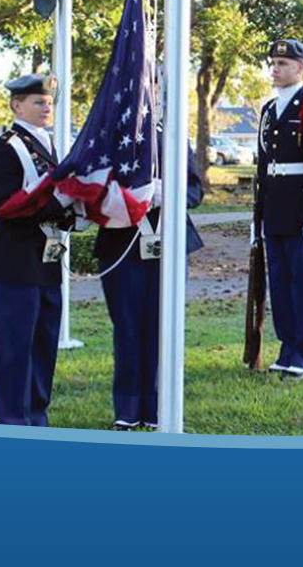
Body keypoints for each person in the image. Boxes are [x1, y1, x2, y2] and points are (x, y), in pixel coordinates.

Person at [0, 74, 75, 426]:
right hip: (15, 262)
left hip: (46, 261)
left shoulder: (49, 146)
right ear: (16, 105)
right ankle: (14, 422)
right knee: (14, 350)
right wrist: (56, 202)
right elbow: (4, 208)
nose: (46, 106)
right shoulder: (6, 148)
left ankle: (37, 418)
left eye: (48, 101)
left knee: (44, 346)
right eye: (37, 101)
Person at [94, 145, 204, 431]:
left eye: (155, 94)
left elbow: (195, 190)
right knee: (127, 327)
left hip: (170, 242)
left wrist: (171, 193)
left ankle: (158, 406)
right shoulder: (113, 131)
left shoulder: (173, 134)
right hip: (121, 241)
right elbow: (93, 187)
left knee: (162, 327)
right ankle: (128, 408)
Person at [251, 39, 303, 380]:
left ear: (301, 68)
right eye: (273, 62)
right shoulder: (270, 109)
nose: (276, 68)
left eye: (284, 63)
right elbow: (262, 170)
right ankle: (287, 349)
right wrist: (257, 219)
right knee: (281, 285)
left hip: (301, 211)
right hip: (274, 210)